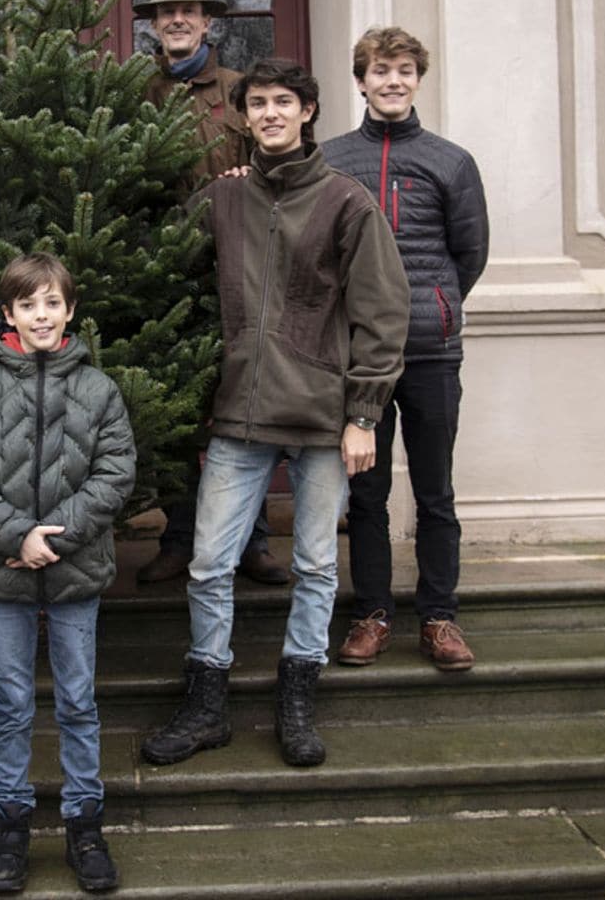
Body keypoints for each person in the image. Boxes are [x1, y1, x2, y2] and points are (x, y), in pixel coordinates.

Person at [140, 59, 409, 770]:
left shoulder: (347, 202)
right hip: (238, 414)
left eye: (282, 102)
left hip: (322, 418)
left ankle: (297, 696)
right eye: (256, 104)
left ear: (309, 110)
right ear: (245, 116)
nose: (269, 114)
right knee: (208, 565)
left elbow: (383, 315)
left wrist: (364, 415)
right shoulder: (223, 200)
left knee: (318, 566)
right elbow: (159, 265)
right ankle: (206, 703)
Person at [0, 252, 136, 895]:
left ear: (70, 310)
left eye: (52, 303)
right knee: (13, 703)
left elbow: (115, 472)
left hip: (76, 574)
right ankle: (12, 825)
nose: (41, 315)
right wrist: (14, 535)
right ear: (9, 315)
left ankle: (84, 823)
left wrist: (55, 537)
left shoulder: (99, 390)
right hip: (5, 575)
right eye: (28, 305)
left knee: (78, 701)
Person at [322, 27, 489, 672]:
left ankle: (440, 617)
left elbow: (469, 254)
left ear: (418, 80)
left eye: (404, 71)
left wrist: (434, 306)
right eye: (379, 70)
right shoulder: (332, 160)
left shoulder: (451, 161)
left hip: (431, 353)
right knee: (365, 494)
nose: (392, 81)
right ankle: (371, 614)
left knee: (434, 490)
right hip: (358, 358)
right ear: (360, 81)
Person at [132, 0, 286, 587]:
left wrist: (250, 183)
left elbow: (282, 167)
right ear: (152, 24)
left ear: (208, 21)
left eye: (190, 11)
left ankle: (253, 540)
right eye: (167, 12)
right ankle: (178, 535)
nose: (178, 20)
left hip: (237, 279)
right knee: (175, 415)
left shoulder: (243, 92)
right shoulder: (134, 96)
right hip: (162, 280)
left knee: (244, 407)